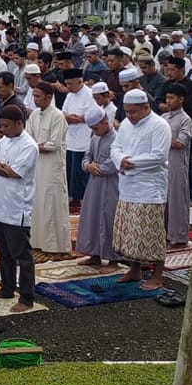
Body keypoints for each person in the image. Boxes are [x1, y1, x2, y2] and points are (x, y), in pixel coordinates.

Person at [111, 89, 172, 289]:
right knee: (131, 231)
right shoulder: (127, 124)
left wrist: (131, 163)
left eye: (133, 111)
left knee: (151, 232)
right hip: (127, 185)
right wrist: (120, 160)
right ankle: (135, 269)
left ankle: (157, 274)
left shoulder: (159, 126)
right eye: (126, 111)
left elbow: (158, 156)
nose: (129, 116)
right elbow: (115, 147)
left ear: (146, 107)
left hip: (149, 188)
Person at [0, 104, 40, 312]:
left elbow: (14, 172)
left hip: (17, 207)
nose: (3, 129)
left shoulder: (29, 146)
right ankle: (6, 288)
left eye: (7, 126)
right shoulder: (4, 141)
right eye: (2, 125)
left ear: (20, 123)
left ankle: (26, 297)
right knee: (4, 252)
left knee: (22, 255)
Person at [25, 81, 71, 254]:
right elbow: (28, 139)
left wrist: (36, 147)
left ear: (49, 97)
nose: (35, 100)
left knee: (52, 203)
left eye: (38, 96)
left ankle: (55, 246)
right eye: (34, 96)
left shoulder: (58, 116)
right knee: (37, 202)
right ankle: (37, 241)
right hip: (37, 166)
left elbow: (54, 144)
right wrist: (36, 146)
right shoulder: (34, 115)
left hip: (53, 167)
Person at [75, 105, 120, 267]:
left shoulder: (117, 139)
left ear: (105, 122)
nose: (94, 131)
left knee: (109, 219)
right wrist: (88, 166)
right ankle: (94, 254)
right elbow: (86, 157)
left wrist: (96, 168)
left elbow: (114, 163)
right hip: (94, 184)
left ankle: (113, 259)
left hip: (111, 185)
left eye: (95, 128)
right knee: (92, 218)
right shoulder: (95, 137)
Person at [163, 82, 192, 247]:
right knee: (163, 199)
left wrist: (162, 140)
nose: (168, 101)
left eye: (172, 98)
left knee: (176, 200)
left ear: (181, 99)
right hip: (162, 163)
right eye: (167, 97)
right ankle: (165, 233)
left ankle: (180, 236)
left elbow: (181, 143)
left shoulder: (185, 120)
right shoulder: (164, 118)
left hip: (176, 164)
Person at [61, 68, 95, 212]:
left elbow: (91, 116)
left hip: (84, 139)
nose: (68, 87)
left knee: (80, 172)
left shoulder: (89, 94)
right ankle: (72, 198)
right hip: (70, 138)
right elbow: (63, 113)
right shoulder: (70, 95)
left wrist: (75, 118)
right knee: (70, 171)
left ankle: (81, 200)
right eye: (66, 84)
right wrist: (71, 118)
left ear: (79, 81)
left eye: (70, 84)